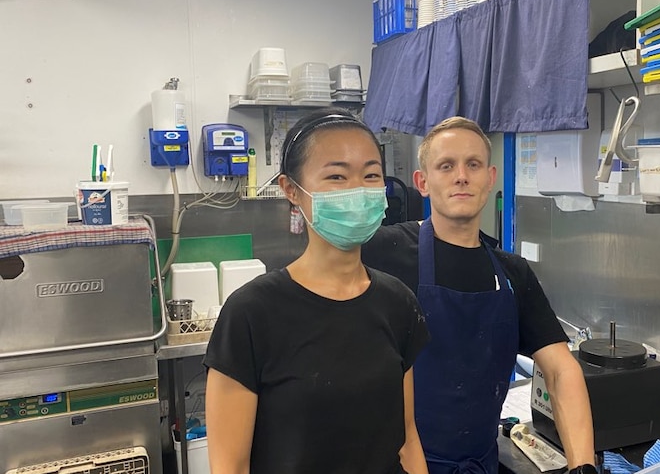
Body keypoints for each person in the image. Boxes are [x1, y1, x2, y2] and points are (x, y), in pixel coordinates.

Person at [363, 117, 596, 474]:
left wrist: (583, 466)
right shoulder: (381, 252)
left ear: (490, 178)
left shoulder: (511, 273)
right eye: (446, 165)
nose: (461, 176)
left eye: (473, 164)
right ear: (422, 182)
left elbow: (561, 370)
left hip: (479, 464)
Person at [204, 108, 430, 474]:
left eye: (371, 175)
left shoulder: (398, 302)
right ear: (291, 189)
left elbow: (406, 438)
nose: (358, 190)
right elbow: (230, 465)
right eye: (337, 176)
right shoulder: (251, 313)